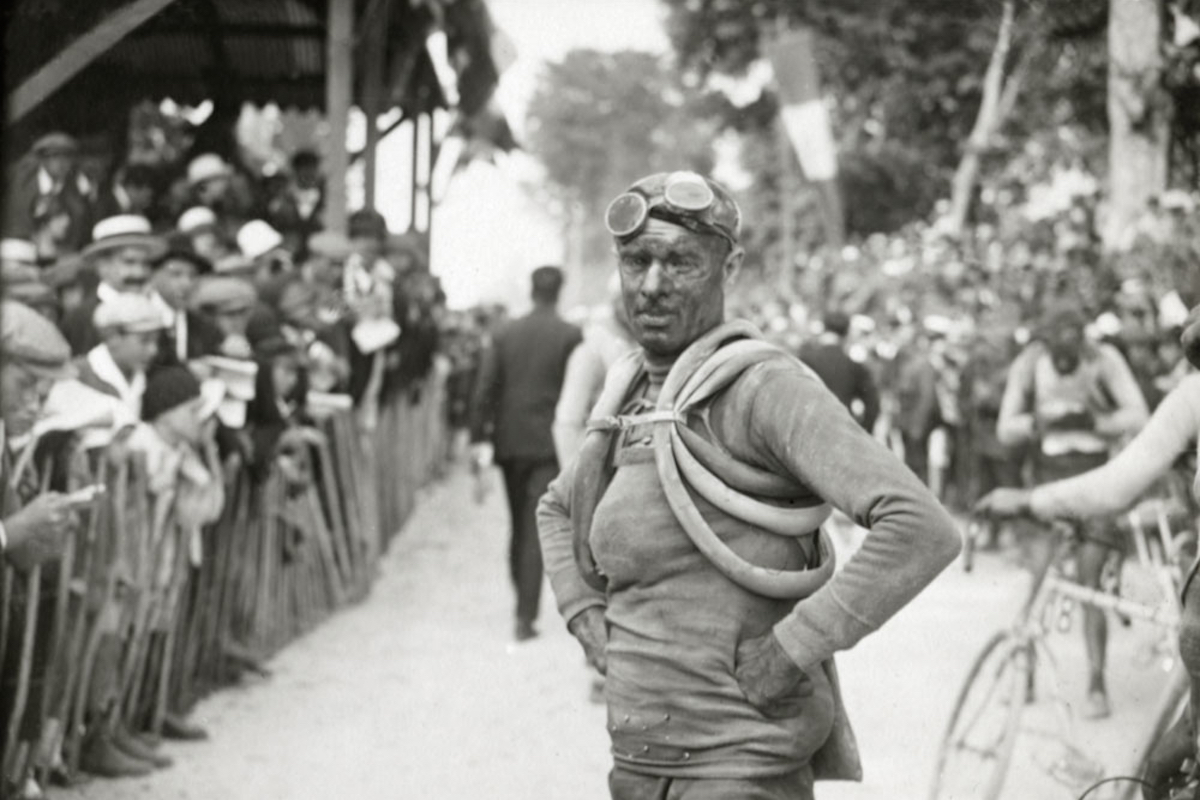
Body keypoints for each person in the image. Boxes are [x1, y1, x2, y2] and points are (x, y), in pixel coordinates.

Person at [536, 171, 960, 799]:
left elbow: (921, 527)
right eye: (637, 261)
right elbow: (555, 507)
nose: (652, 285)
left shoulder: (761, 389)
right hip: (639, 765)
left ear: (728, 267)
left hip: (740, 770)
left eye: (680, 262)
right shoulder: (630, 399)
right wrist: (585, 619)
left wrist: (792, 649)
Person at [995, 300, 1149, 719]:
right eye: (1057, 354)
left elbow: (1138, 415)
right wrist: (1038, 423)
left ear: (1083, 341)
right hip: (1048, 475)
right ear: (1045, 343)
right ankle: (1024, 675)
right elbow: (1005, 428)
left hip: (1096, 477)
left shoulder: (1104, 360)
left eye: (1073, 352)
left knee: (1089, 583)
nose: (1065, 362)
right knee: (1039, 576)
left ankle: (1097, 684)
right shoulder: (1030, 363)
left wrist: (1094, 421)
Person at [470, 266, 582, 642]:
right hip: (548, 443)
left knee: (519, 523)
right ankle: (524, 616)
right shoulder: (570, 335)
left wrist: (478, 437)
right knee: (535, 526)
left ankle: (522, 601)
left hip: (509, 442)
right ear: (559, 291)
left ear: (532, 290)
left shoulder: (505, 333)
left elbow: (485, 388)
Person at [59, 215, 166, 355]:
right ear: (103, 266)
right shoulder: (81, 320)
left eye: (145, 263)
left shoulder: (156, 310)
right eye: (129, 262)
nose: (139, 273)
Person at [798, 311, 879, 433]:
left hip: (810, 429)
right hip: (843, 431)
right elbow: (873, 404)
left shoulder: (805, 361)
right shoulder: (853, 366)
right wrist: (864, 430)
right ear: (846, 333)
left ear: (824, 328)